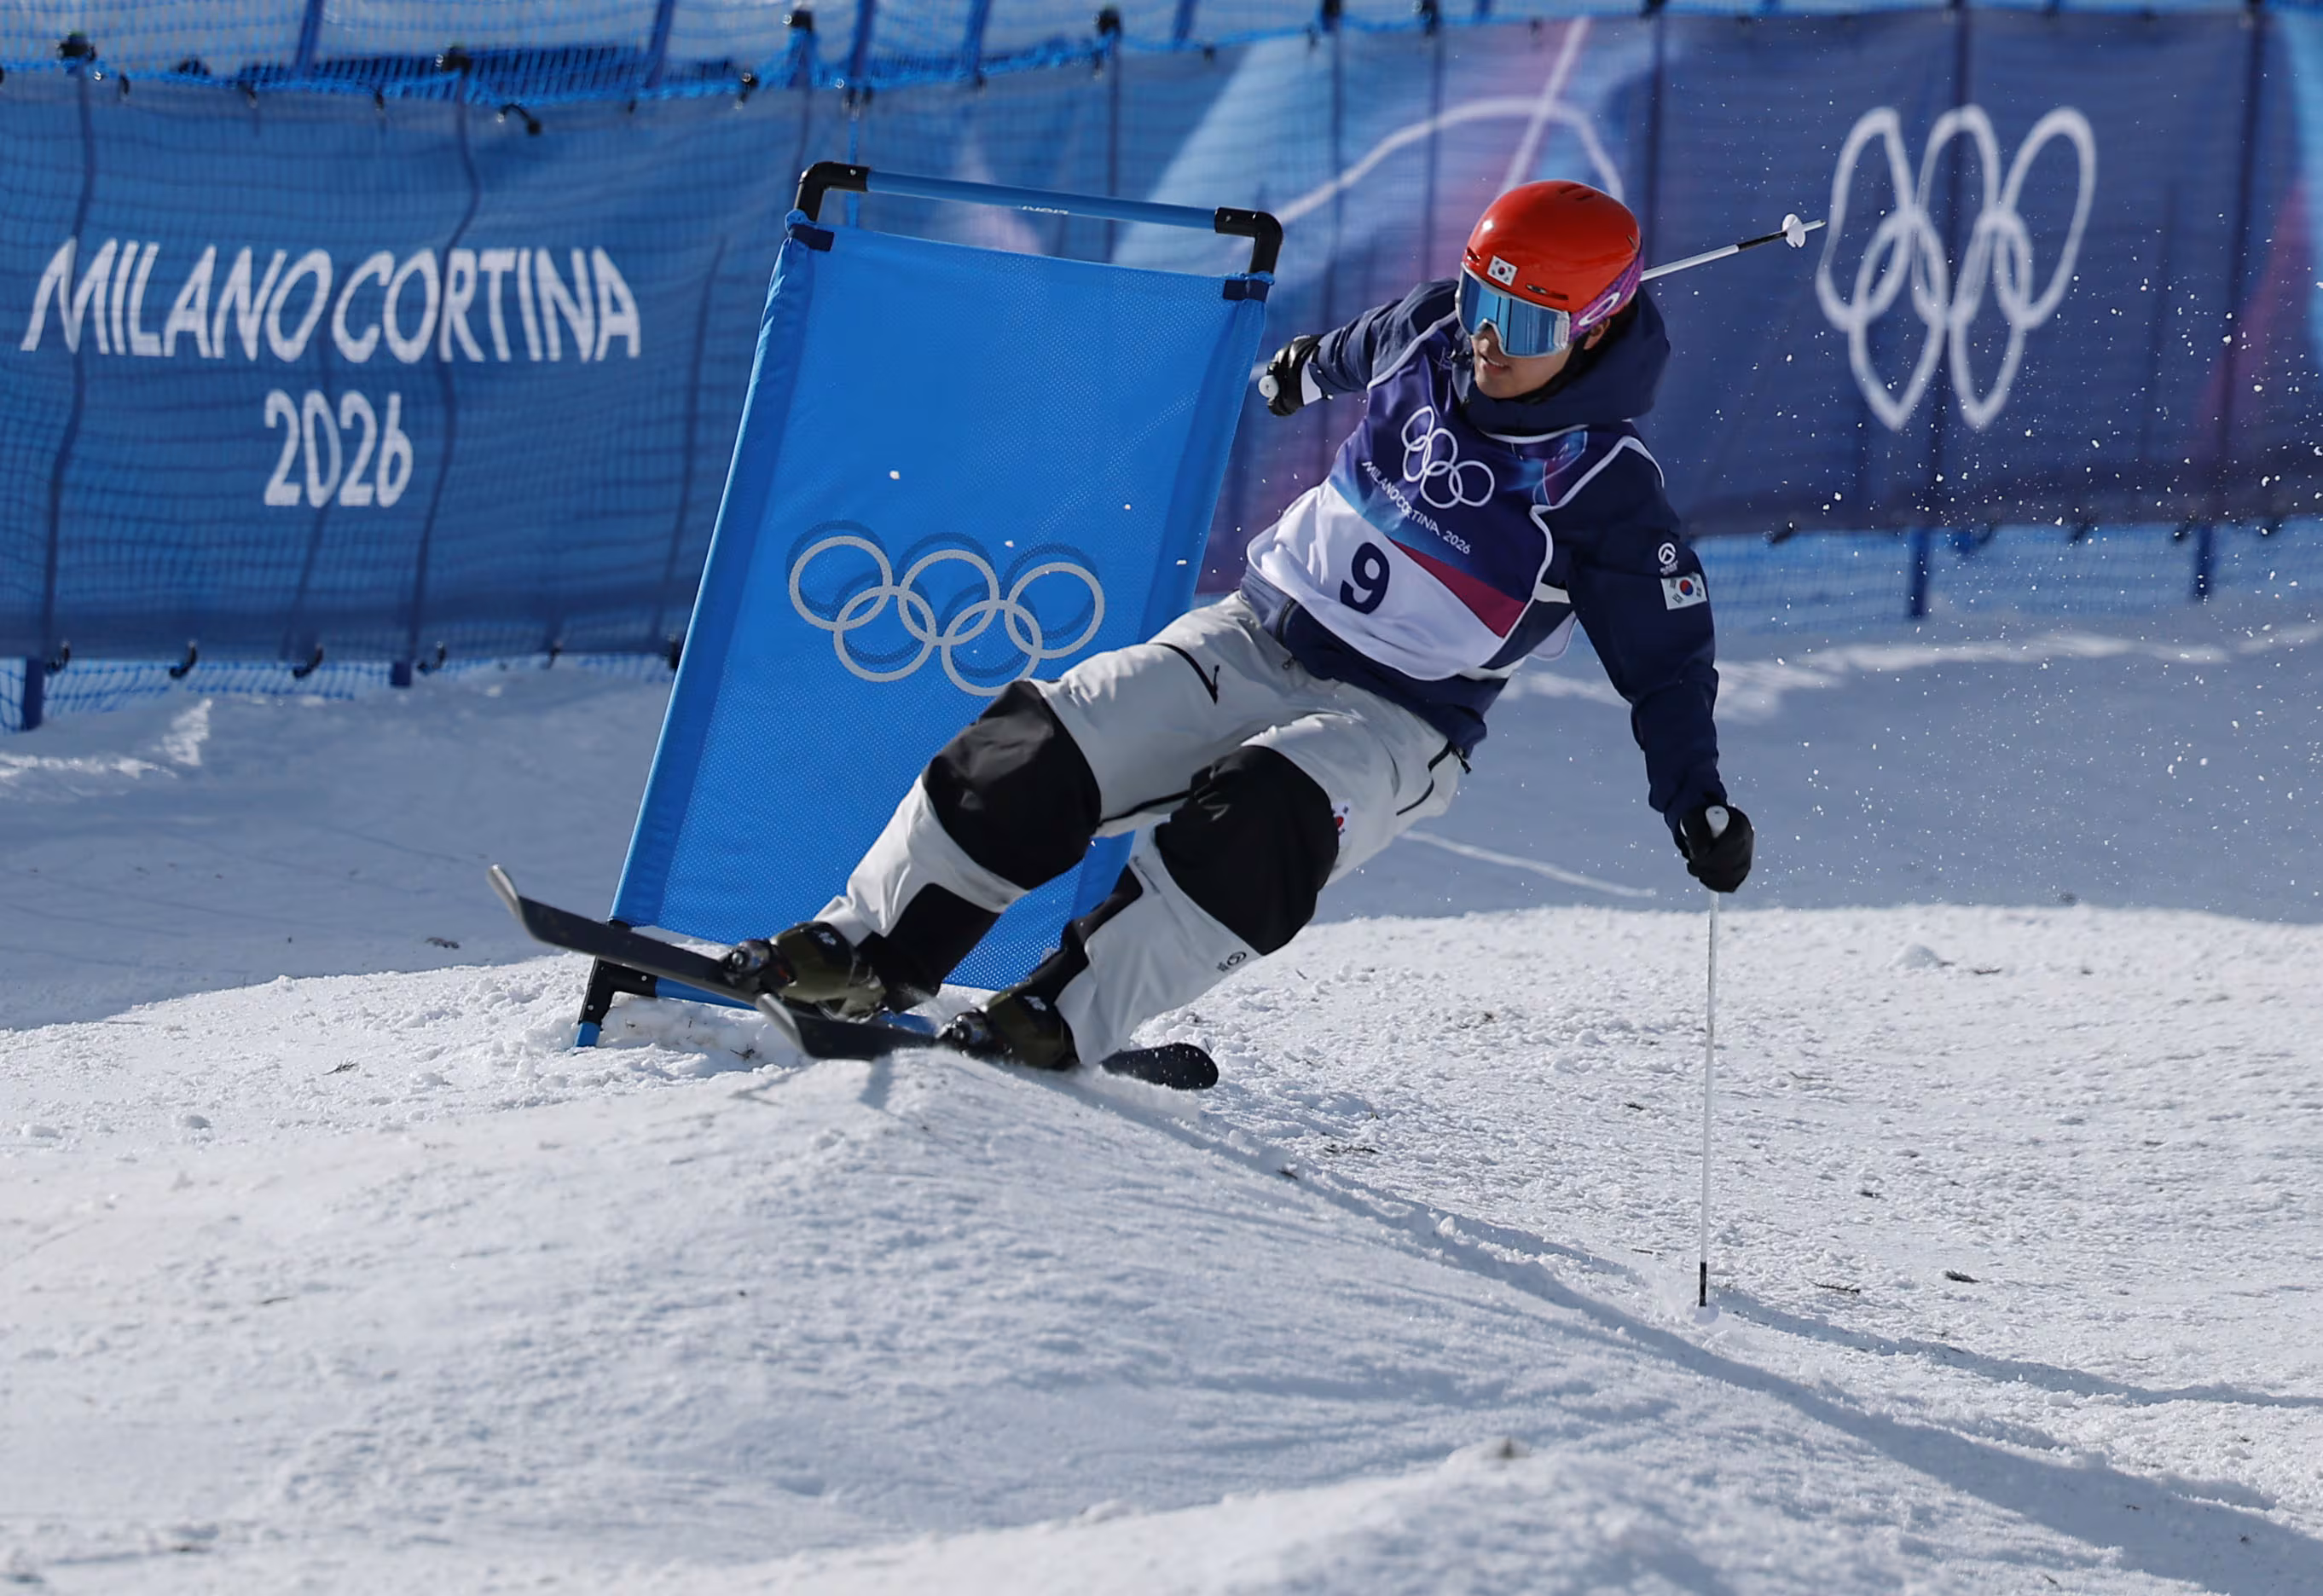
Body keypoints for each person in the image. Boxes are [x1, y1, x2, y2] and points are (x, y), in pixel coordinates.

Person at [727, 179, 1752, 1069]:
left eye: (1526, 326)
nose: (1489, 341)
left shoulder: (1608, 488)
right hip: (1260, 634)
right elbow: (1361, 348)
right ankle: (866, 950)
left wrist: (1693, 797)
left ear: (1598, 326)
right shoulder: (1439, 329)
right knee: (1040, 744)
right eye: (1485, 299)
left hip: (1400, 721)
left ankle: (1058, 1016)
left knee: (1261, 819)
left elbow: (1667, 663)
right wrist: (1303, 368)